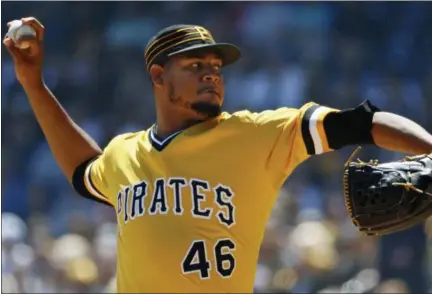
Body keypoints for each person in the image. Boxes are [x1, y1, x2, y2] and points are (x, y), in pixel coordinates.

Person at [4, 17, 432, 293]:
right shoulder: (124, 153)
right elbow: (82, 171)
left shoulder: (255, 134)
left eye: (215, 65)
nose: (211, 72)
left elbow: (362, 122)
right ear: (157, 75)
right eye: (194, 65)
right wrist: (33, 83)